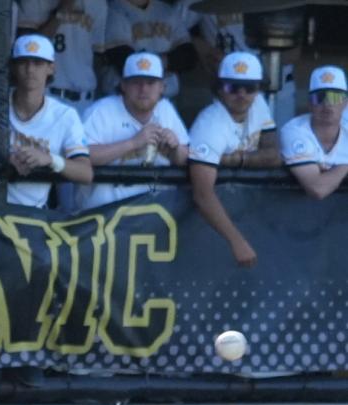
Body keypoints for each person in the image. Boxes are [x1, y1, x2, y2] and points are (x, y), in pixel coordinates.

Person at [187, 51, 280, 267]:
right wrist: (236, 241)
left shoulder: (258, 105)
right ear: (220, 89)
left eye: (250, 88)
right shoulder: (209, 125)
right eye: (233, 87)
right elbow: (201, 195)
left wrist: (235, 160)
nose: (241, 94)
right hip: (207, 221)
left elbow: (274, 154)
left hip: (243, 211)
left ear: (258, 89)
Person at [79, 51, 188, 210]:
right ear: (123, 85)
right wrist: (133, 143)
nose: (143, 89)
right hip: (106, 215)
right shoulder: (101, 111)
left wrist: (175, 148)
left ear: (162, 87)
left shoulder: (166, 110)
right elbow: (81, 157)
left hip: (155, 213)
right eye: (136, 82)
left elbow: (187, 158)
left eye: (150, 82)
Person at [7, 34, 92, 207]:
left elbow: (86, 173)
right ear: (14, 67)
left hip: (34, 211)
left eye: (38, 63)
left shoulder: (64, 115)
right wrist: (5, 160)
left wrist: (51, 159)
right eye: (24, 62)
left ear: (51, 68)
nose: (30, 70)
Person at [17, 0, 107, 115]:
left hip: (85, 99)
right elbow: (25, 47)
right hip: (47, 95)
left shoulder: (98, 3)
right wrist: (61, 11)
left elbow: (97, 53)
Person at [101, 0, 194, 100]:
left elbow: (189, 56)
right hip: (124, 98)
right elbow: (123, 59)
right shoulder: (113, 9)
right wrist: (166, 61)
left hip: (166, 97)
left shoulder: (167, 11)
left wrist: (152, 61)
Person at [279, 66, 348, 200]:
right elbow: (317, 189)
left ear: (345, 103)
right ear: (310, 103)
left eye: (335, 97)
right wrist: (346, 166)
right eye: (320, 97)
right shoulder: (294, 131)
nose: (327, 104)